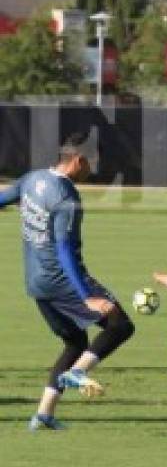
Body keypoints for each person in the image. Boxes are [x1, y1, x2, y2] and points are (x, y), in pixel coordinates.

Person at [0, 134, 136, 430]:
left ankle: (44, 415)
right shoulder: (66, 197)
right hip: (62, 280)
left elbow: (1, 201)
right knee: (120, 325)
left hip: (36, 282)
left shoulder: (32, 179)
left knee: (75, 342)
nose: (94, 170)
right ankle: (77, 374)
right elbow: (63, 250)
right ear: (78, 160)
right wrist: (85, 294)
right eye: (93, 163)